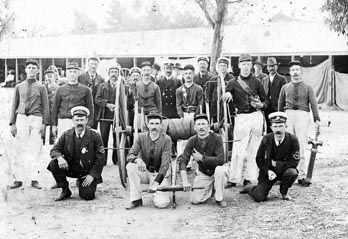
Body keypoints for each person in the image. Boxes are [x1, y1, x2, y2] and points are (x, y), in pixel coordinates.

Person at [222, 53, 269, 187]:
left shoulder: (257, 82)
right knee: (238, 148)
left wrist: (262, 105)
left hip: (256, 116)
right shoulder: (233, 82)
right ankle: (234, 178)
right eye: (244, 64)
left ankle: (249, 177)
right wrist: (228, 93)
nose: (246, 67)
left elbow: (265, 100)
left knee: (254, 148)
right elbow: (227, 95)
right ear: (239, 66)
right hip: (242, 117)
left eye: (248, 64)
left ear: (251, 66)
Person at [48, 106, 105, 201]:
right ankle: (65, 189)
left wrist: (92, 175)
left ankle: (82, 182)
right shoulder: (66, 135)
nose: (79, 123)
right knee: (54, 163)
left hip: (87, 172)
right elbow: (55, 150)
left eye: (82, 120)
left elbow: (101, 158)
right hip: (71, 168)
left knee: (87, 196)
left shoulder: (95, 136)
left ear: (87, 120)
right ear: (73, 121)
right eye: (77, 120)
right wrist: (60, 158)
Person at [240, 112, 300, 202]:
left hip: (285, 170)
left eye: (281, 126)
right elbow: (259, 159)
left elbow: (294, 161)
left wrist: (277, 165)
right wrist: (267, 171)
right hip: (269, 172)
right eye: (275, 127)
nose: (278, 130)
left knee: (292, 173)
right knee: (259, 198)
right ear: (271, 127)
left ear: (286, 126)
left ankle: (284, 192)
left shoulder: (292, 139)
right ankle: (251, 188)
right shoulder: (266, 139)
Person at [9, 59, 50, 189]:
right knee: (18, 148)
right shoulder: (19, 86)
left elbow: (46, 106)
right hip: (22, 119)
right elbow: (14, 105)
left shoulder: (41, 87)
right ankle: (18, 179)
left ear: (37, 70)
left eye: (34, 68)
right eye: (29, 67)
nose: (31, 70)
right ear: (25, 70)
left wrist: (45, 124)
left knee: (35, 148)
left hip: (36, 119)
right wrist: (12, 123)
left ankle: (34, 178)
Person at [278, 60, 320, 187]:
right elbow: (280, 105)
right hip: (288, 115)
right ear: (290, 72)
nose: (295, 72)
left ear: (301, 71)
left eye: (297, 69)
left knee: (301, 144)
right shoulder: (285, 88)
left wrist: (317, 118)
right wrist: (280, 119)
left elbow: (313, 104)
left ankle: (301, 175)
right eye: (293, 70)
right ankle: (286, 174)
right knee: (287, 145)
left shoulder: (308, 88)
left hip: (302, 115)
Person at [178, 114, 227, 207]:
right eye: (198, 124)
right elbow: (183, 161)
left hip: (217, 170)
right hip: (204, 173)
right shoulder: (192, 141)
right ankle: (212, 188)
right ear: (194, 127)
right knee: (195, 200)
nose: (201, 127)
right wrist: (185, 181)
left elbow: (220, 160)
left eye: (204, 124)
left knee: (220, 170)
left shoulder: (217, 138)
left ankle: (219, 198)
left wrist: (202, 158)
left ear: (208, 126)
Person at [125, 113, 172, 209]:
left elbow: (165, 165)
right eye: (152, 123)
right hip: (145, 172)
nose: (154, 126)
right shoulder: (141, 137)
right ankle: (136, 199)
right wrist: (138, 159)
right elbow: (130, 155)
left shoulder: (167, 139)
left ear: (161, 125)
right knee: (130, 166)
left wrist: (156, 183)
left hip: (160, 174)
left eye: (157, 124)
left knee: (161, 204)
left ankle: (156, 192)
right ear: (147, 125)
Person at [51, 62, 94, 140]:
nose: (72, 74)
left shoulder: (85, 90)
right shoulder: (60, 89)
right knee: (64, 146)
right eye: (70, 72)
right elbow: (55, 108)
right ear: (66, 73)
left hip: (79, 121)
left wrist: (89, 124)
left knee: (78, 146)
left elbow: (90, 108)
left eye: (75, 72)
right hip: (63, 121)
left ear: (78, 73)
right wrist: (54, 125)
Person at [95, 64, 122, 165]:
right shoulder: (102, 86)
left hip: (118, 117)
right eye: (112, 72)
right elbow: (97, 99)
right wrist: (107, 104)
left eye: (116, 72)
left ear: (118, 74)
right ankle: (103, 160)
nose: (114, 74)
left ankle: (116, 159)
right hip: (104, 116)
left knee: (117, 138)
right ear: (109, 74)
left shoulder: (122, 86)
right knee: (103, 138)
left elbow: (125, 100)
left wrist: (117, 106)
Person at [261, 57, 287, 133]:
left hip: (277, 107)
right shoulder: (264, 79)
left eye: (273, 66)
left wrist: (283, 107)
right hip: (267, 108)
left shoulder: (282, 79)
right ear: (267, 68)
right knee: (269, 127)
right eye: (269, 66)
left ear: (277, 67)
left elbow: (284, 94)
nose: (271, 68)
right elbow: (262, 94)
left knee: (278, 127)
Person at [78, 57, 105, 129]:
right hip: (83, 106)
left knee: (93, 129)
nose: (93, 66)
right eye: (91, 64)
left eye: (95, 64)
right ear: (88, 65)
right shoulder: (81, 77)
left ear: (98, 66)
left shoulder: (101, 79)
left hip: (95, 109)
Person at [206, 57, 235, 123]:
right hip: (215, 107)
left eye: (224, 66)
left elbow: (235, 92)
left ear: (227, 67)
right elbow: (209, 94)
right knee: (215, 125)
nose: (222, 67)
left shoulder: (231, 79)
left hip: (228, 107)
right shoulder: (213, 79)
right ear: (218, 67)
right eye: (221, 66)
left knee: (229, 125)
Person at [44, 67, 59, 145]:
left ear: (54, 77)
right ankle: (42, 142)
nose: (49, 78)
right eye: (47, 76)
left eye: (51, 76)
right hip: (45, 111)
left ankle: (52, 143)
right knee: (42, 129)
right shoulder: (43, 87)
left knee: (53, 128)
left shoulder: (57, 88)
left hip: (53, 111)